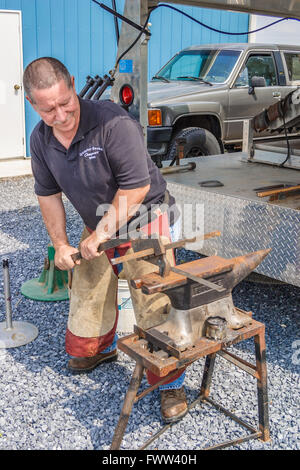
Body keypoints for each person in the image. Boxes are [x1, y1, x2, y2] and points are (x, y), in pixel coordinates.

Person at [23, 57, 187, 424]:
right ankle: (97, 348)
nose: (61, 115)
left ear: (73, 84)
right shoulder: (40, 140)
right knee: (87, 285)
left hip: (146, 216)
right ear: (32, 104)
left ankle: (169, 382)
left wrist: (100, 235)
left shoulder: (113, 122)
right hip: (97, 221)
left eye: (65, 102)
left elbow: (137, 186)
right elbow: (47, 194)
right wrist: (62, 244)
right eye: (48, 109)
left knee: (153, 297)